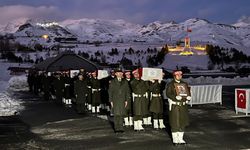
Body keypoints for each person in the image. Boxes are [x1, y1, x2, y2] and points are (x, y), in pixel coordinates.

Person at [166, 70, 191, 145]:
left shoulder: (184, 84)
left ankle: (181, 138)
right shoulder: (171, 84)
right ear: (174, 76)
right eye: (178, 75)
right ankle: (175, 139)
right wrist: (175, 97)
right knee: (175, 122)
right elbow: (168, 94)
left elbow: (187, 93)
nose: (180, 76)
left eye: (181, 75)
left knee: (182, 122)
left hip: (183, 106)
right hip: (175, 106)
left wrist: (188, 97)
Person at [109, 69, 131, 133]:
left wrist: (127, 100)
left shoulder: (125, 82)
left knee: (121, 114)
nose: (120, 74)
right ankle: (116, 128)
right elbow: (110, 92)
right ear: (115, 74)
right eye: (118, 73)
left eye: (121, 73)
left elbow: (127, 91)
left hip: (122, 100)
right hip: (115, 100)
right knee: (116, 115)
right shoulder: (112, 81)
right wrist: (111, 101)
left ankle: (121, 128)